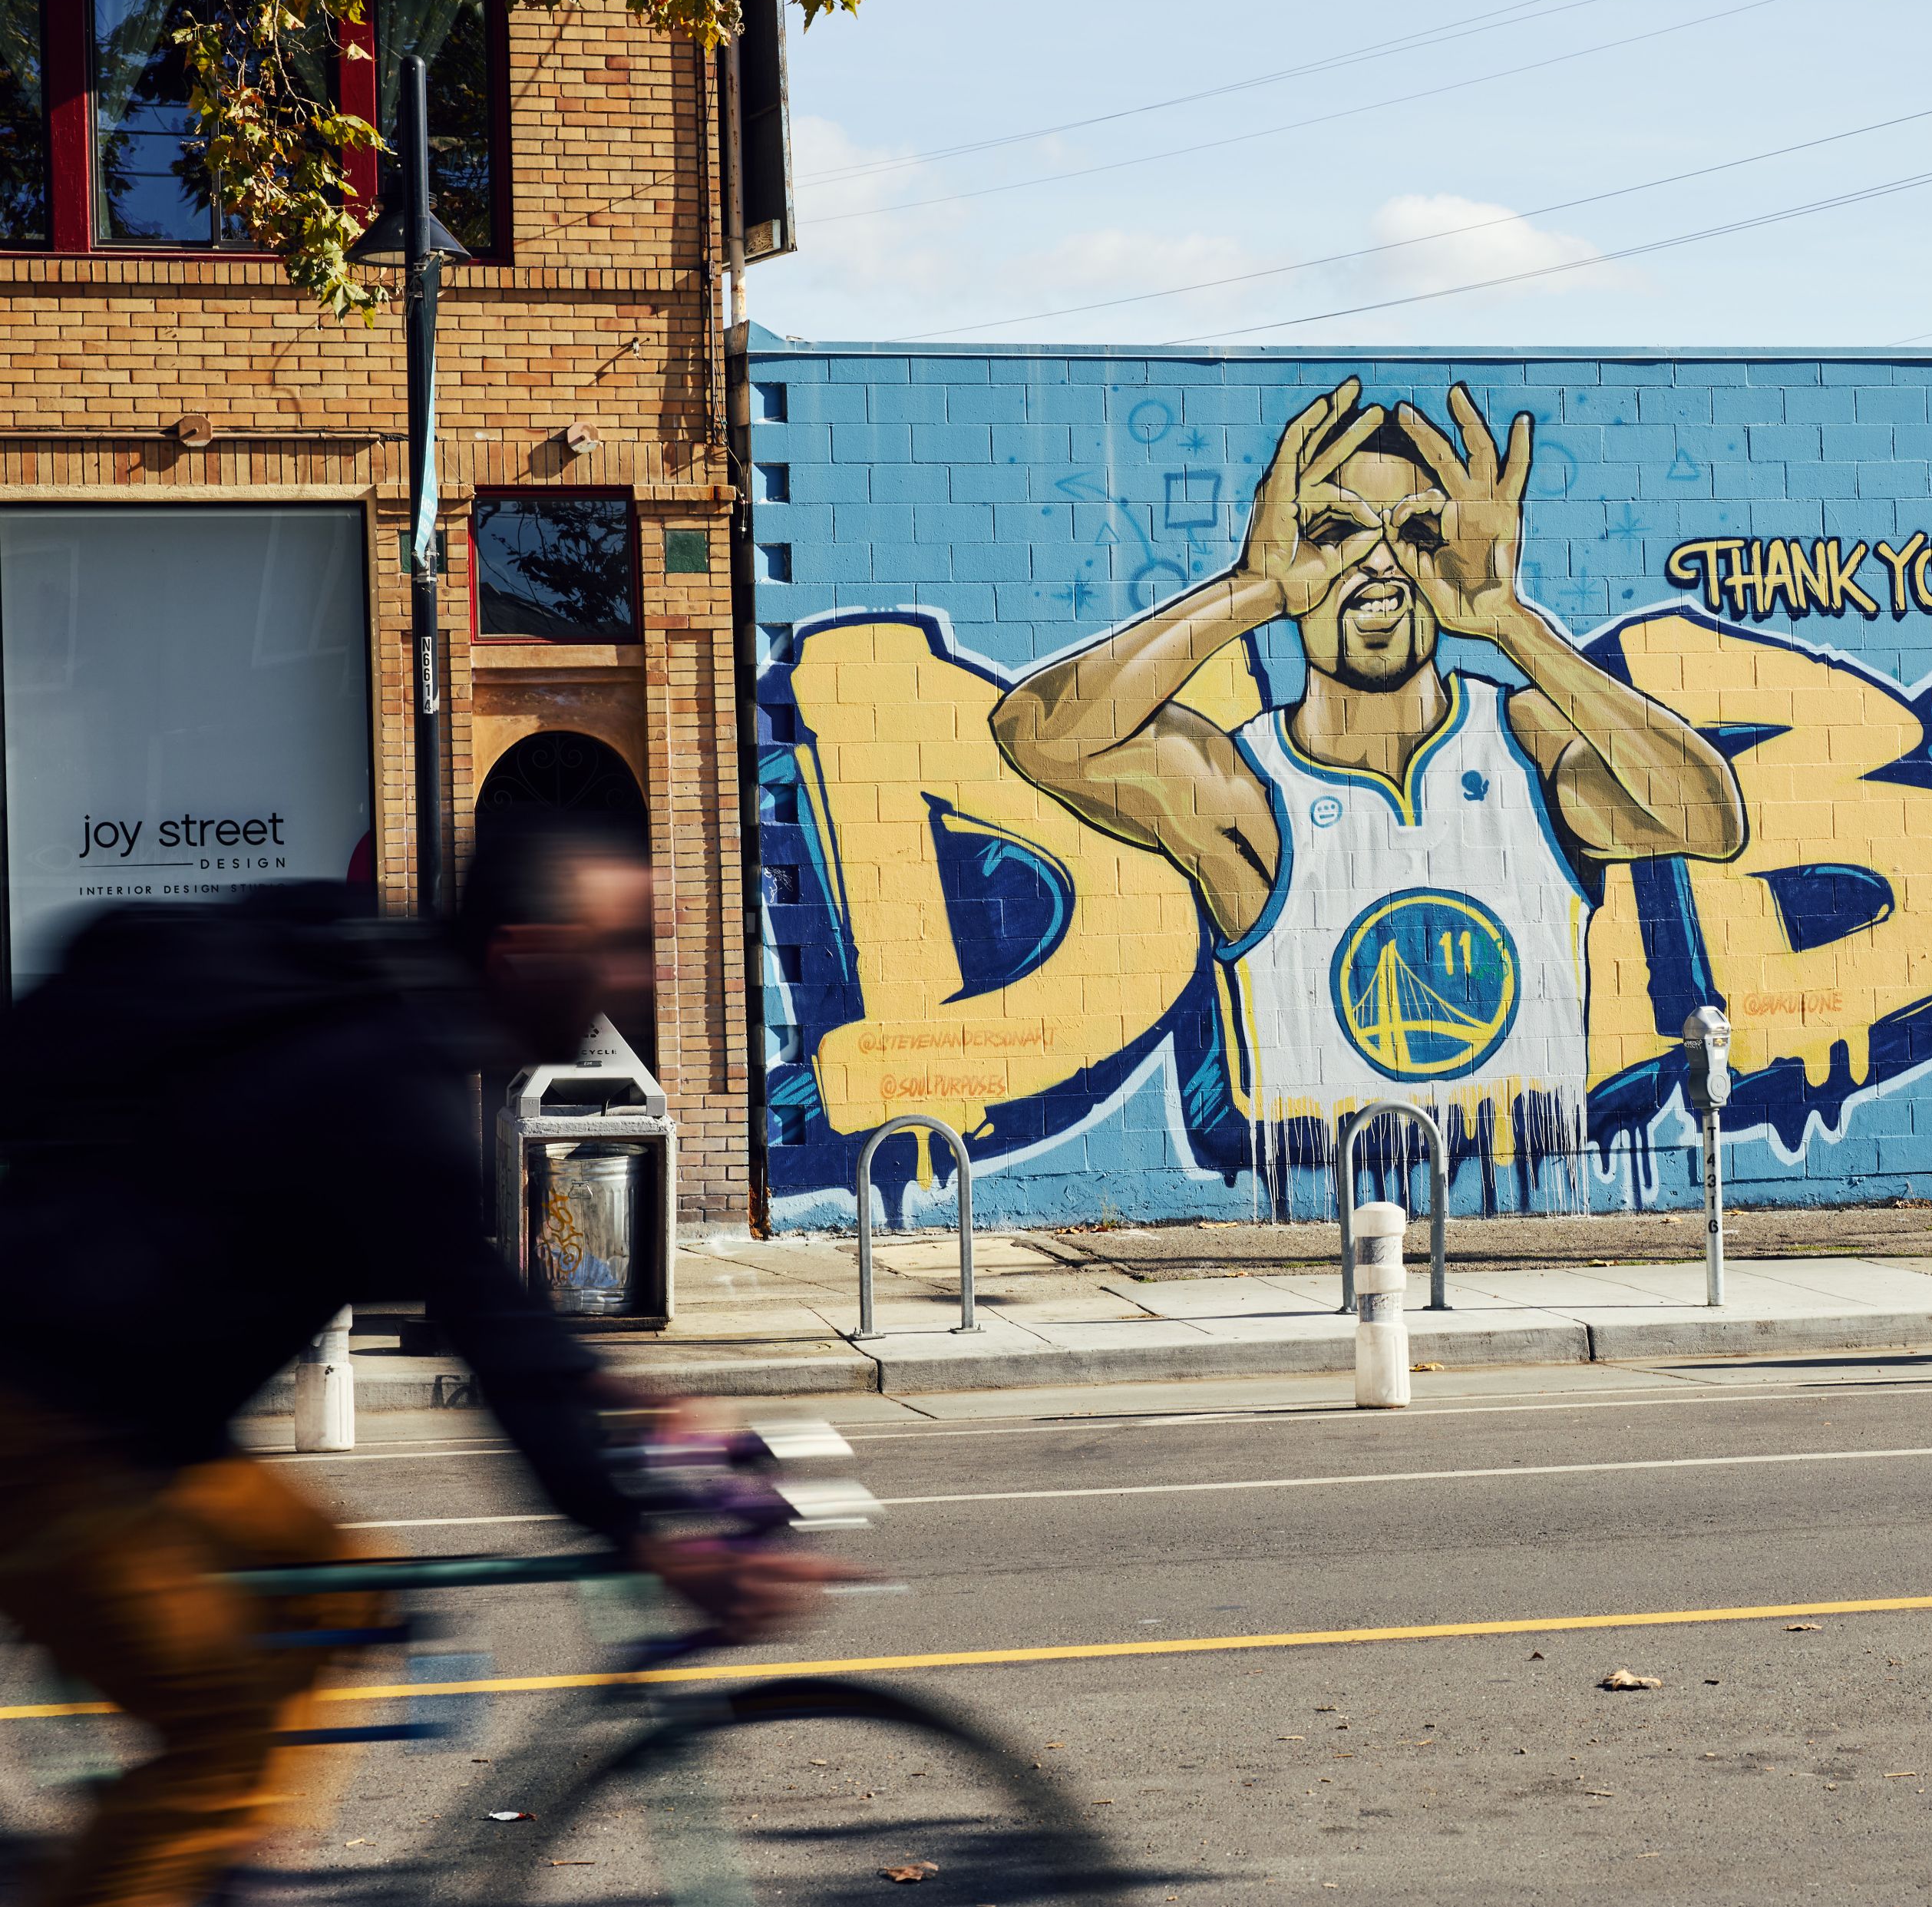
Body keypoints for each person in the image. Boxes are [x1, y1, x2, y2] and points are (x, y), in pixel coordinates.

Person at [0, 815, 832, 1907]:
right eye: (616, 947)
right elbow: (496, 1348)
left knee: (342, 1592)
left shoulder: (391, 1009)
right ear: (524, 953)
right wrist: (649, 1538)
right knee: (223, 1727)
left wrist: (634, 1397)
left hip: (139, 1422)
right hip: (45, 1427)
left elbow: (497, 1310)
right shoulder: (393, 1082)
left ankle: (205, 1871)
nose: (636, 979)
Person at [991, 378, 1745, 1137]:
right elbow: (1040, 733)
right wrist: (1252, 589)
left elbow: (1710, 820)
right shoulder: (1248, 792)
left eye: (1416, 534)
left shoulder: (1523, 740)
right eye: (1334, 531)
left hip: (1528, 1233)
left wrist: (1511, 622)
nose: (1379, 562)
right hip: (1329, 1230)